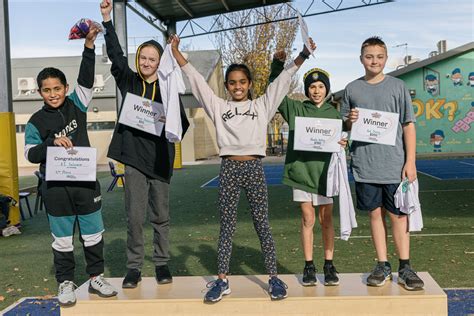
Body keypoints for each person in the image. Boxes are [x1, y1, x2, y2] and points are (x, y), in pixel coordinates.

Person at [170, 34, 315, 303]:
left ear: (249, 85)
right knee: (227, 227)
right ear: (227, 86)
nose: (238, 87)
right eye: (233, 83)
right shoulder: (218, 106)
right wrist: (176, 52)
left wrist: (304, 55)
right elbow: (196, 81)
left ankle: (273, 277)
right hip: (229, 171)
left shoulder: (261, 106)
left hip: (254, 170)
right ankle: (222, 280)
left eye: (242, 82)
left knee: (262, 224)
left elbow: (282, 82)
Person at [24, 26, 117, 306]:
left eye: (57, 89)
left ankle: (95, 278)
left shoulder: (77, 104)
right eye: (46, 90)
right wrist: (51, 142)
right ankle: (65, 283)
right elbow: (30, 153)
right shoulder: (36, 122)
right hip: (56, 189)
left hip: (85, 185)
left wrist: (88, 46)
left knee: (92, 236)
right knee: (63, 241)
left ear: (66, 88)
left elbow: (86, 78)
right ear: (40, 92)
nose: (53, 94)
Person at [99, 0, 189, 289]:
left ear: (160, 62)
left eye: (153, 59)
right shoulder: (129, 81)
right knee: (135, 217)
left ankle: (162, 264)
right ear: (138, 59)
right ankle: (134, 268)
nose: (147, 62)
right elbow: (115, 55)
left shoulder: (169, 90)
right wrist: (107, 20)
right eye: (143, 58)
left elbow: (181, 125)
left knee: (161, 216)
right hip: (135, 161)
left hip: (161, 162)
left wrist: (167, 129)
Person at [341, 36, 424, 290]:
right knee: (375, 216)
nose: (374, 61)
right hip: (365, 166)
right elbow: (344, 127)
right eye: (369, 56)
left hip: (395, 166)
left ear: (386, 58)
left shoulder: (398, 87)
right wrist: (350, 121)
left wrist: (410, 161)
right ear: (361, 59)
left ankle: (406, 266)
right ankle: (382, 264)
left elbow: (408, 125)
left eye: (379, 56)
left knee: (398, 217)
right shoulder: (352, 89)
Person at [269, 51, 347, 287]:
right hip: (301, 174)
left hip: (326, 175)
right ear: (306, 89)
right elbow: (274, 89)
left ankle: (329, 264)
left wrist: (345, 141)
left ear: (327, 89)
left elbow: (343, 140)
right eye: (311, 86)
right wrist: (277, 64)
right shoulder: (295, 109)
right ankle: (309, 265)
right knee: (307, 219)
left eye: (320, 86)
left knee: (326, 220)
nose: (316, 90)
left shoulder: (334, 113)